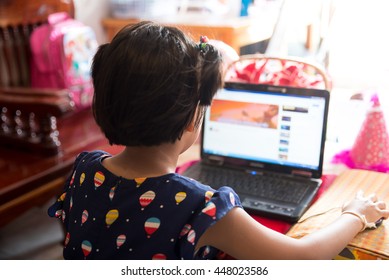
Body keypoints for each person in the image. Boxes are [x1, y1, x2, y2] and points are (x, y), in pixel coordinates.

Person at [48, 21, 389, 260]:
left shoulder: (84, 169)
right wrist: (355, 214)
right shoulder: (199, 205)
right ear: (192, 118)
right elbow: (301, 258)